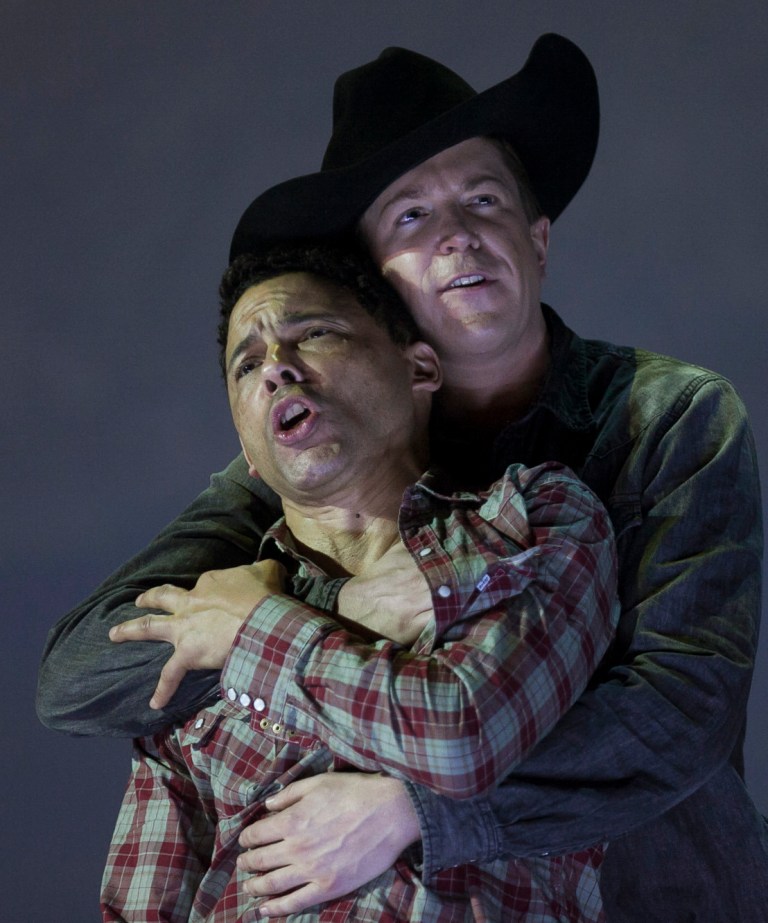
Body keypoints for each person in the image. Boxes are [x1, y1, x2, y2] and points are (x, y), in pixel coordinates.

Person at [38, 33, 766, 921]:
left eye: (485, 199)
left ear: (539, 241)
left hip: (658, 894)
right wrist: (323, 611)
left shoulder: (668, 418)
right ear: (374, 288)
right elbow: (78, 677)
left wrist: (417, 810)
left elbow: (672, 717)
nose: (457, 233)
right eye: (411, 217)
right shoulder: (297, 462)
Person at [100, 244, 617, 922]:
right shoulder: (202, 623)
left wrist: (258, 634)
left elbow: (463, 735)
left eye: (314, 333)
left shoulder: (530, 519)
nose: (276, 367)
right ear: (248, 453)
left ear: (420, 366)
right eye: (247, 364)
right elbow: (141, 903)